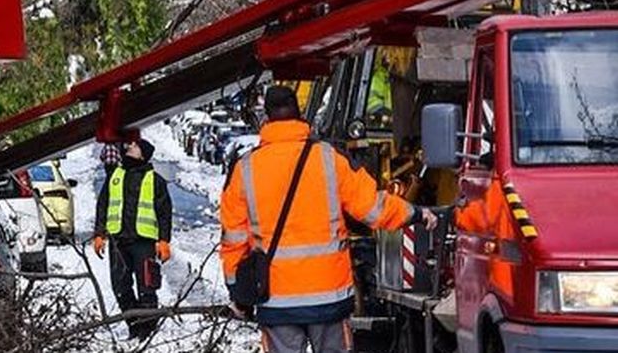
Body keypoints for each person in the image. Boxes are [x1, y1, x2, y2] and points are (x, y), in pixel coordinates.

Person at [220, 85, 437, 353]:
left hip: (276, 301)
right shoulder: (328, 158)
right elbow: (371, 207)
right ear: (300, 116)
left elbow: (233, 239)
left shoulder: (246, 169)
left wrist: (238, 294)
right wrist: (414, 212)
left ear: (266, 118)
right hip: (329, 297)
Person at [93, 138, 173, 340]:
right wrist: (99, 233)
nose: (130, 147)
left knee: (147, 288)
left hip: (143, 243)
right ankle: (134, 326)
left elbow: (164, 213)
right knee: (120, 287)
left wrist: (164, 240)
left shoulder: (154, 180)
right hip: (118, 242)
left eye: (135, 146)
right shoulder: (115, 176)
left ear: (143, 154)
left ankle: (147, 331)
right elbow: (103, 205)